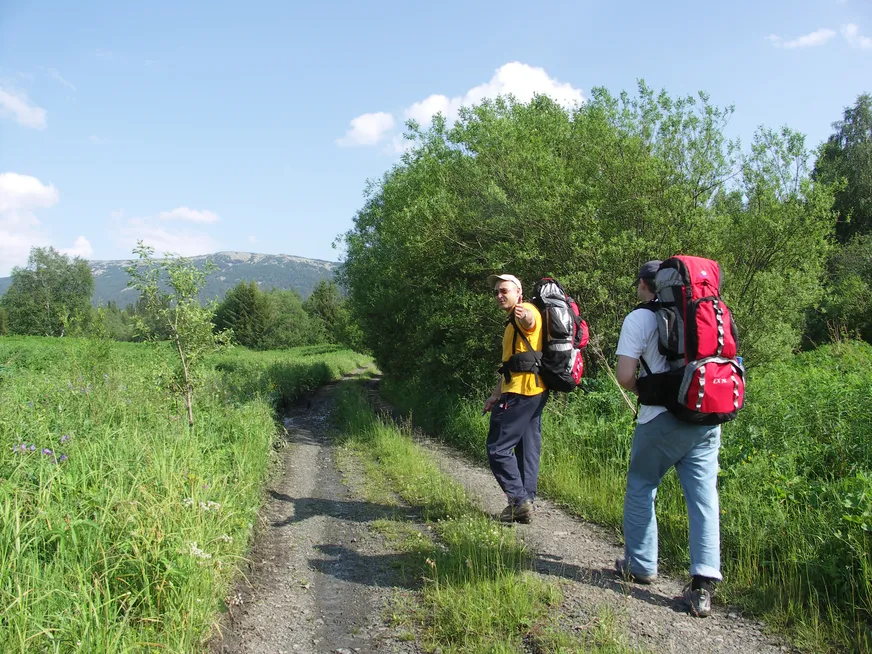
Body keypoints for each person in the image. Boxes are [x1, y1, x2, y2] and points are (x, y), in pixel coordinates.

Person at [614, 260, 722, 618]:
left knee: (642, 484)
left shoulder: (639, 319)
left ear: (646, 286)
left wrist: (647, 385)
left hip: (660, 419)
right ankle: (703, 587)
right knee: (703, 497)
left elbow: (625, 376)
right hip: (708, 417)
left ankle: (642, 564)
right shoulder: (707, 312)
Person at [482, 273, 548, 524]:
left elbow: (530, 321)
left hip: (521, 393)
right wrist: (495, 394)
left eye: (504, 291)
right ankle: (524, 503)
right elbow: (513, 365)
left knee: (497, 448)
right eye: (496, 292)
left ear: (518, 292)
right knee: (527, 450)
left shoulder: (525, 312)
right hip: (532, 390)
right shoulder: (511, 323)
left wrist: (525, 315)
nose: (499, 295)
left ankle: (519, 501)